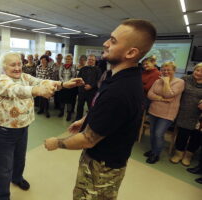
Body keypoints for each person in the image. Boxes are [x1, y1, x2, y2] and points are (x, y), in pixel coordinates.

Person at [45, 19, 157, 200]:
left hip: (102, 168)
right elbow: (101, 107)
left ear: (131, 52)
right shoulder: (116, 76)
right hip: (97, 159)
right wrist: (85, 120)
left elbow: (88, 140)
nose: (105, 43)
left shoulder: (121, 91)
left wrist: (57, 143)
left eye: (113, 41)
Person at [0, 52, 84, 200]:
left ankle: (17, 178)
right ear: (4, 67)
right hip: (4, 131)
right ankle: (3, 196)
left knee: (20, 158)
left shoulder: (24, 77)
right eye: (12, 64)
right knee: (4, 168)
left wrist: (63, 84)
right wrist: (37, 91)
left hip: (23, 127)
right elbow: (17, 90)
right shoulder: (2, 81)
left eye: (19, 64)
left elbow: (42, 81)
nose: (17, 67)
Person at [144, 62, 184, 164]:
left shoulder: (179, 82)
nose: (165, 72)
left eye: (168, 70)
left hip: (167, 114)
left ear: (174, 71)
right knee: (152, 132)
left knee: (158, 134)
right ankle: (154, 150)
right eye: (163, 70)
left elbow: (169, 95)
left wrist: (166, 82)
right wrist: (161, 98)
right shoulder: (157, 81)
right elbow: (149, 94)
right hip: (154, 110)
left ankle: (156, 154)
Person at [170, 63, 202, 166]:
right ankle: (178, 154)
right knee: (182, 134)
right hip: (185, 112)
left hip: (199, 116)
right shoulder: (185, 79)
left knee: (197, 136)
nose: (199, 73)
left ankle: (188, 155)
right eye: (197, 70)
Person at [75, 54, 100, 121]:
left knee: (91, 107)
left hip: (92, 92)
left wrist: (91, 86)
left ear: (95, 61)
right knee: (80, 106)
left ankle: (90, 120)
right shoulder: (82, 69)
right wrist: (82, 84)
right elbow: (78, 78)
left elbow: (98, 81)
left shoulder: (98, 70)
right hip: (82, 90)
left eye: (92, 60)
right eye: (89, 59)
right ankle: (78, 119)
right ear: (87, 60)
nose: (91, 61)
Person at [58, 54, 77, 121]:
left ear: (71, 60)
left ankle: (69, 114)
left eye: (69, 59)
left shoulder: (74, 66)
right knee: (62, 100)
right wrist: (64, 83)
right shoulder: (61, 66)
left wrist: (68, 83)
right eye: (66, 59)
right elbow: (60, 76)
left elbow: (74, 76)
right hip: (62, 85)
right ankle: (61, 112)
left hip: (70, 87)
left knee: (69, 101)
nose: (67, 60)